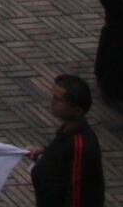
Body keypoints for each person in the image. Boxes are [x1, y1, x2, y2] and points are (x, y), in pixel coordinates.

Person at [34, 71, 107, 207]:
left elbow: (78, 194)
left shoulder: (80, 146)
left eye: (58, 99)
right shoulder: (66, 130)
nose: (52, 102)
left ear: (77, 110)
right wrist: (44, 153)